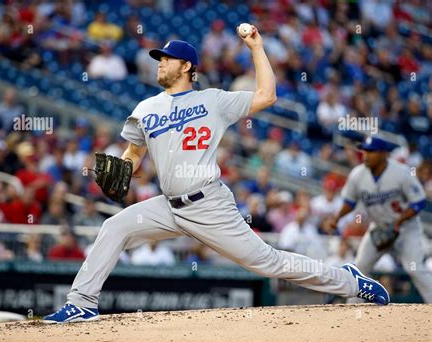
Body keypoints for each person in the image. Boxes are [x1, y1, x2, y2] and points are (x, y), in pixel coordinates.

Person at [44, 27, 389, 323]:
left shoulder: (214, 101)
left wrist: (256, 47)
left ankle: (348, 281)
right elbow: (132, 155)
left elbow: (267, 95)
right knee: (114, 226)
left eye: (166, 58)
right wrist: (122, 171)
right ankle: (81, 304)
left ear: (187, 66)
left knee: (267, 262)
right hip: (168, 207)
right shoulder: (145, 108)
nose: (160, 62)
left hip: (208, 204)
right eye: (159, 58)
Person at [327, 136, 431, 303]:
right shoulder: (358, 175)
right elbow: (350, 202)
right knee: (360, 267)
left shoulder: (401, 172)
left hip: (406, 228)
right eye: (364, 151)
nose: (366, 155)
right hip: (379, 227)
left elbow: (419, 201)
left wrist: (400, 221)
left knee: (415, 269)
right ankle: (353, 310)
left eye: (371, 151)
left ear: (383, 154)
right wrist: (337, 218)